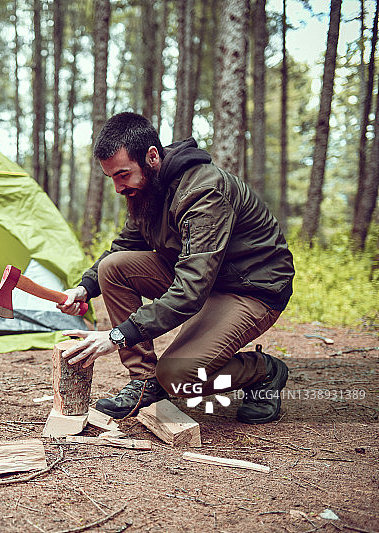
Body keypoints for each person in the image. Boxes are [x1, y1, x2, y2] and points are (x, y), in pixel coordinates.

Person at [59, 112, 295, 425]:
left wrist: (117, 336)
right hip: (207, 280)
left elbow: (190, 291)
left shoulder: (204, 193)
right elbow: (124, 248)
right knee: (113, 267)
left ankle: (264, 371)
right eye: (112, 178)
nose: (118, 187)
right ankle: (145, 383)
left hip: (251, 288)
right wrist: (84, 288)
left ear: (152, 157)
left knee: (177, 374)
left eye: (123, 174)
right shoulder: (147, 189)